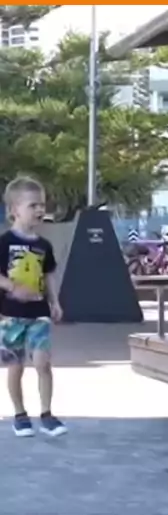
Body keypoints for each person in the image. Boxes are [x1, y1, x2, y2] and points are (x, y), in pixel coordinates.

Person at [0, 176, 67, 437]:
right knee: (15, 366)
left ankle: (47, 414)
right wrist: (12, 287)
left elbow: (48, 275)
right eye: (33, 205)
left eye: (42, 205)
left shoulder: (43, 245)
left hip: (39, 313)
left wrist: (55, 302)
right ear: (14, 209)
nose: (40, 210)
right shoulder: (4, 242)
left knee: (43, 362)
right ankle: (19, 415)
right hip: (10, 315)